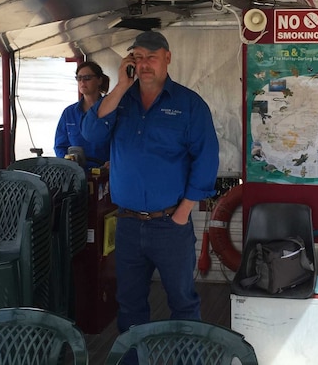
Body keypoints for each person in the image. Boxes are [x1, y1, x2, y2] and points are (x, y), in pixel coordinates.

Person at [81, 30, 219, 334]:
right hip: (127, 224)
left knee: (183, 303)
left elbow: (206, 159)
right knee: (129, 305)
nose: (144, 64)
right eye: (138, 57)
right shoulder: (119, 101)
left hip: (170, 224)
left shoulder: (189, 104)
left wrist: (183, 213)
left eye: (151, 57)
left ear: (167, 59)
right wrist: (119, 86)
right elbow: (91, 134)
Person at [54, 61, 110, 169]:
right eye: (79, 78)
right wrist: (68, 165)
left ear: (99, 80)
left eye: (87, 78)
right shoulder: (68, 113)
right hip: (77, 175)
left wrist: (114, 162)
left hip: (106, 174)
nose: (82, 81)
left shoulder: (112, 110)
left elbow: (122, 143)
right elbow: (60, 146)